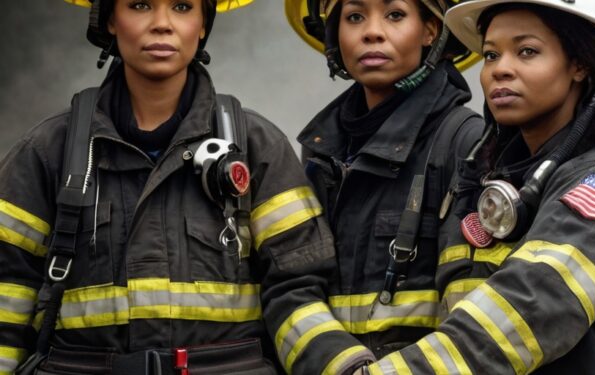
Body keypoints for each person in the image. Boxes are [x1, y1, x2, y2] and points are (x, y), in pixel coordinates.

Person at [0, 0, 366, 374]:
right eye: (140, 5)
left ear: (203, 24)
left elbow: (295, 289)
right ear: (110, 20)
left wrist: (345, 369)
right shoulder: (48, 151)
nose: (162, 24)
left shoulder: (257, 147)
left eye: (182, 6)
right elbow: (7, 294)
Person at [358, 0, 595, 373]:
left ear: (580, 65)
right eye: (491, 54)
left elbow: (532, 307)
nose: (500, 70)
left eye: (527, 51)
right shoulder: (496, 181)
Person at [282, 0, 484, 370]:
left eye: (394, 14)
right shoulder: (318, 151)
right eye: (354, 16)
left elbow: (473, 314)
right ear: (334, 34)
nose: (371, 31)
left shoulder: (465, 143)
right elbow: (293, 285)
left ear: (430, 31)